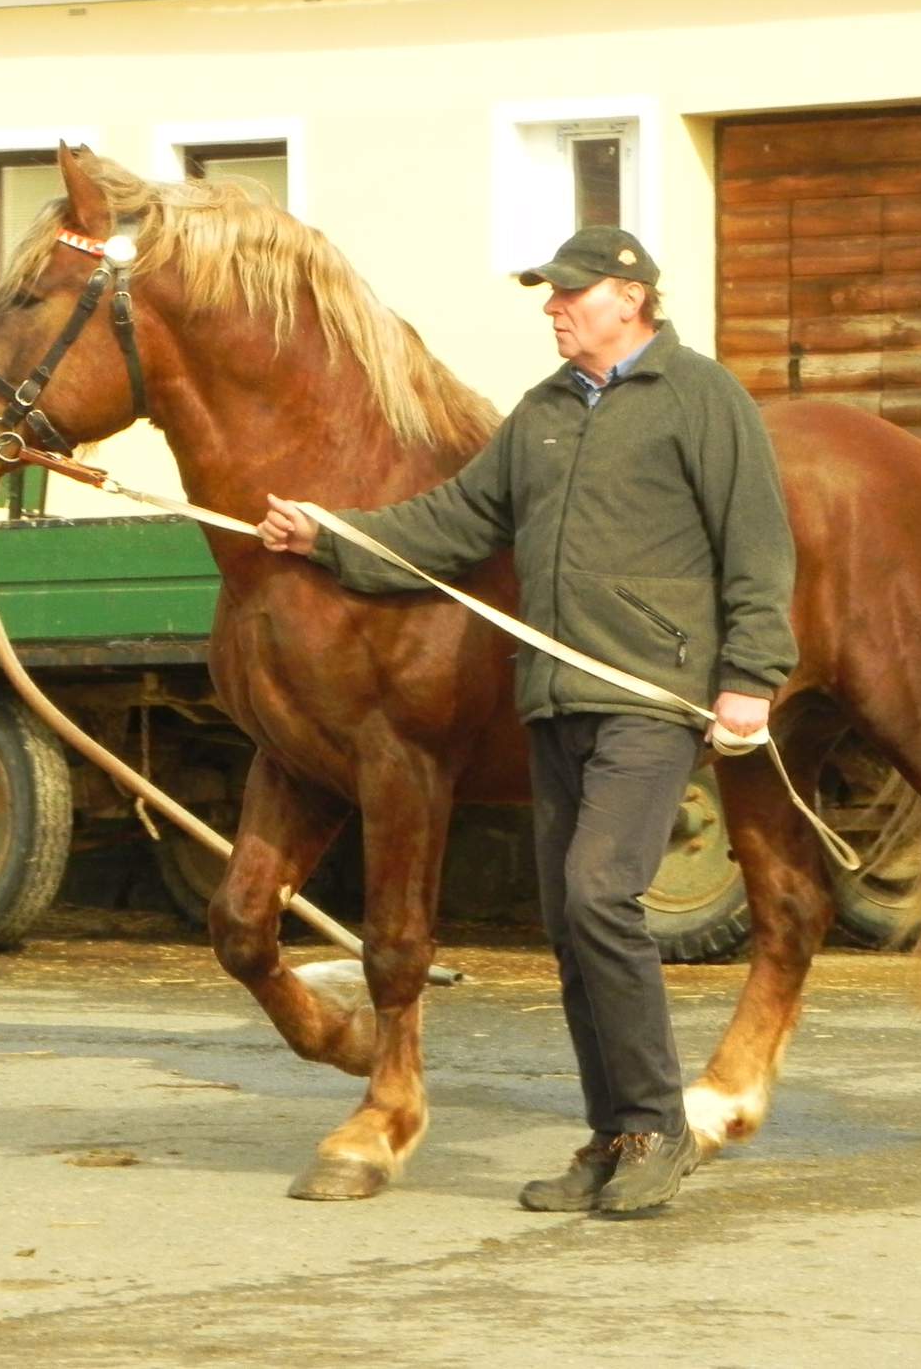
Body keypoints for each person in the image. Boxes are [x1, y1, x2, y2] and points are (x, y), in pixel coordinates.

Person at [257, 225, 797, 1214]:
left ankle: (653, 1128)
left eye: (571, 294)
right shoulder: (542, 413)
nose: (553, 308)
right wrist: (327, 535)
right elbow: (455, 522)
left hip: (646, 695)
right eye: (548, 294)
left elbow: (755, 544)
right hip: (551, 700)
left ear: (628, 297)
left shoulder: (698, 396)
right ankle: (607, 1137)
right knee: (566, 924)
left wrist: (750, 677)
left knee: (600, 898)